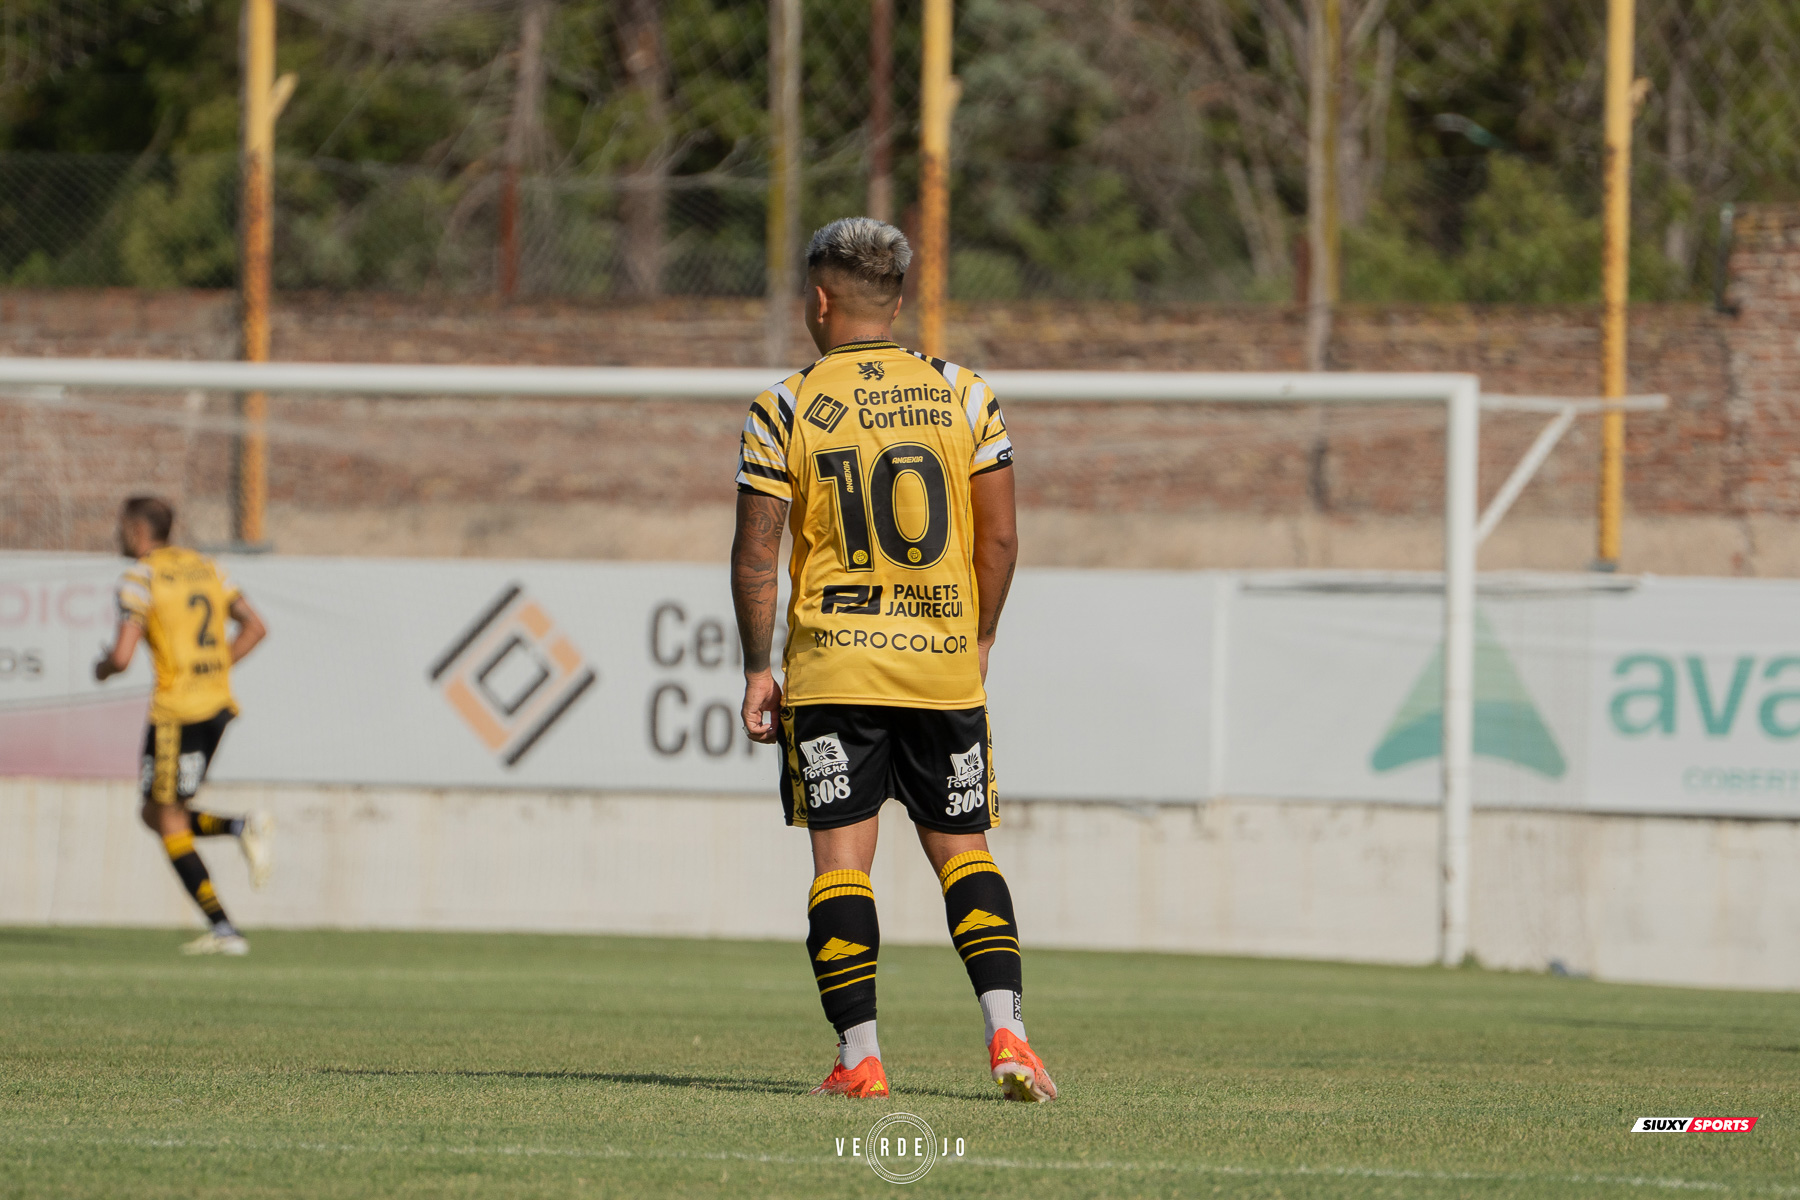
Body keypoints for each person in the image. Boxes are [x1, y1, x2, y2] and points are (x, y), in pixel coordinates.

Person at [731, 217, 1055, 1102]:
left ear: (820, 299)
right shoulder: (964, 394)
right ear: (900, 301)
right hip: (939, 665)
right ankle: (1011, 1039)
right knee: (965, 853)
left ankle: (861, 1059)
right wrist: (978, 637)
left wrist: (759, 666)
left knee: (843, 865)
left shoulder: (786, 406)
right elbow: (1002, 539)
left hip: (836, 668)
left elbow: (757, 552)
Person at [95, 496, 272, 956]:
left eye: (121, 527)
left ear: (136, 530)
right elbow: (255, 627)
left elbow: (121, 655)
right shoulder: (207, 568)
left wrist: (103, 669)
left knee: (165, 814)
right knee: (156, 812)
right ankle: (237, 831)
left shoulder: (141, 576)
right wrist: (214, 671)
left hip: (177, 712)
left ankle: (225, 929)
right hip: (218, 706)